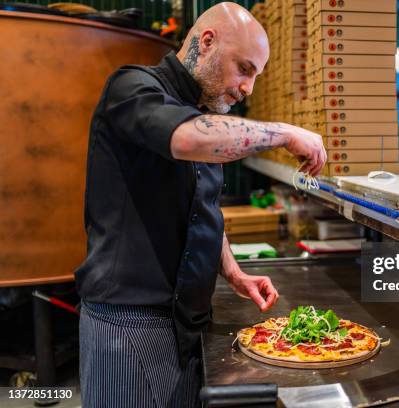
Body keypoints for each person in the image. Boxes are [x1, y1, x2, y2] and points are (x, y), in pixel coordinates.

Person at [74, 2, 326, 407]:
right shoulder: (132, 88)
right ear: (206, 42)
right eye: (244, 69)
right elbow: (187, 139)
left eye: (256, 76)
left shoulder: (205, 113)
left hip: (186, 320)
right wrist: (283, 132)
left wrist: (232, 271)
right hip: (129, 323)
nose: (248, 89)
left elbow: (201, 207)